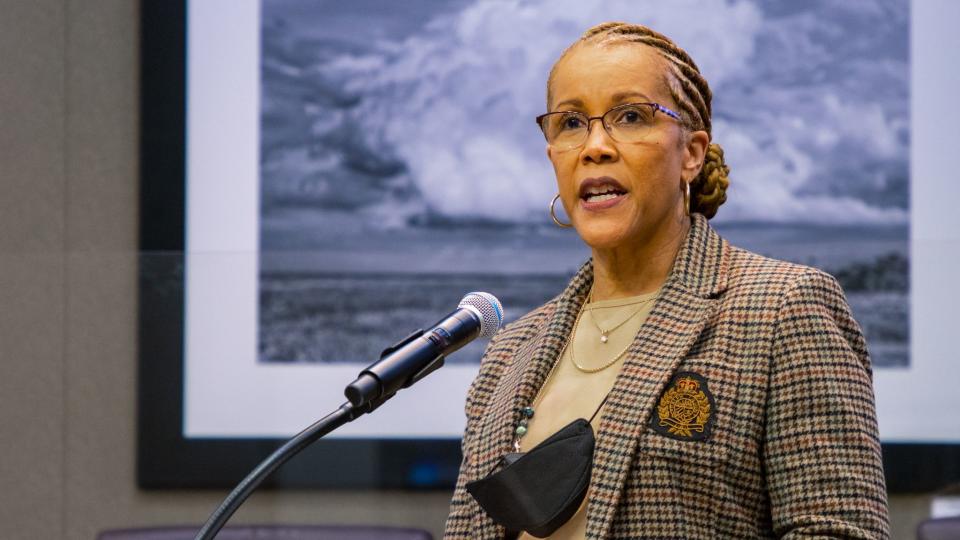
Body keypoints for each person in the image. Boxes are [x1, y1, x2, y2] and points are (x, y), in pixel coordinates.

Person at [443, 21, 890, 539]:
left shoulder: (783, 309)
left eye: (630, 116)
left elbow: (839, 531)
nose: (594, 147)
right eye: (569, 124)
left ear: (692, 153)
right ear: (552, 157)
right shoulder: (510, 352)